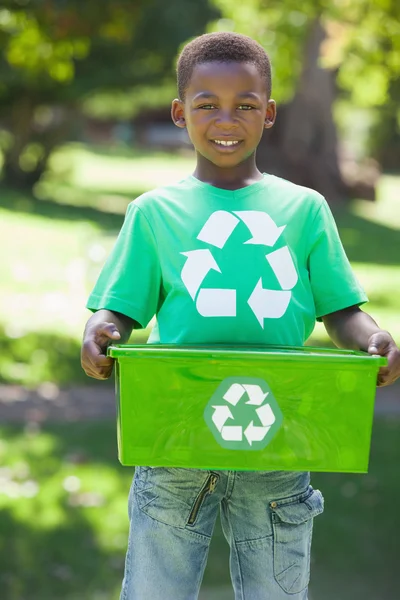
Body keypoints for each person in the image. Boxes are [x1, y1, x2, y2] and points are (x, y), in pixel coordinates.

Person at [81, 32, 400, 600]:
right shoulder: (154, 213)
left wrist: (373, 338)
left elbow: (342, 310)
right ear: (180, 112)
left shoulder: (305, 209)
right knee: (156, 590)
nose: (226, 119)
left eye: (246, 105)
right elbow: (120, 310)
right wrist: (101, 330)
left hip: (281, 435)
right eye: (207, 104)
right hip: (175, 438)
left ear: (269, 113)